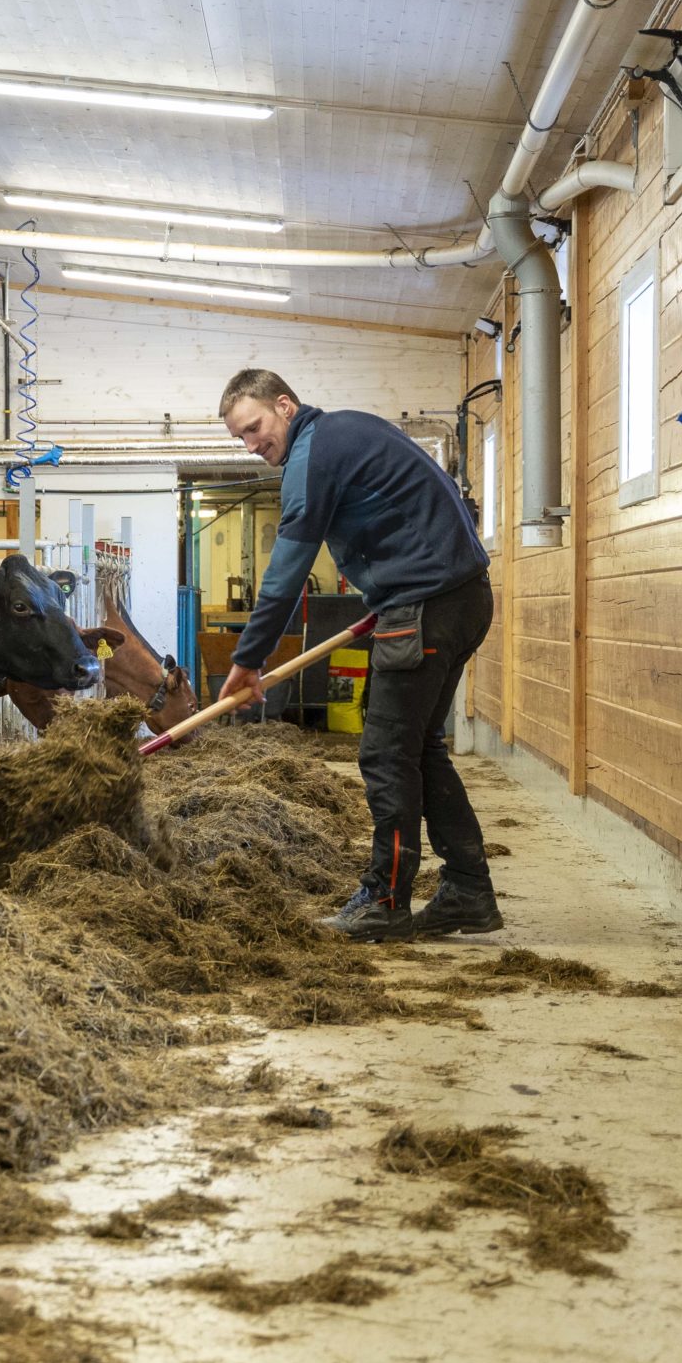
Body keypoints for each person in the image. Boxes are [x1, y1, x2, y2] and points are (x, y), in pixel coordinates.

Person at [215, 369, 500, 940]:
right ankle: (468, 890)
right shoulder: (351, 431)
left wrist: (248, 660)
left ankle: (386, 900)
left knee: (385, 755)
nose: (251, 445)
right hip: (459, 598)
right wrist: (389, 593)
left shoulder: (312, 457)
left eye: (255, 427)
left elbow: (285, 573)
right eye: (239, 438)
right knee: (417, 750)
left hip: (424, 606)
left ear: (285, 406)